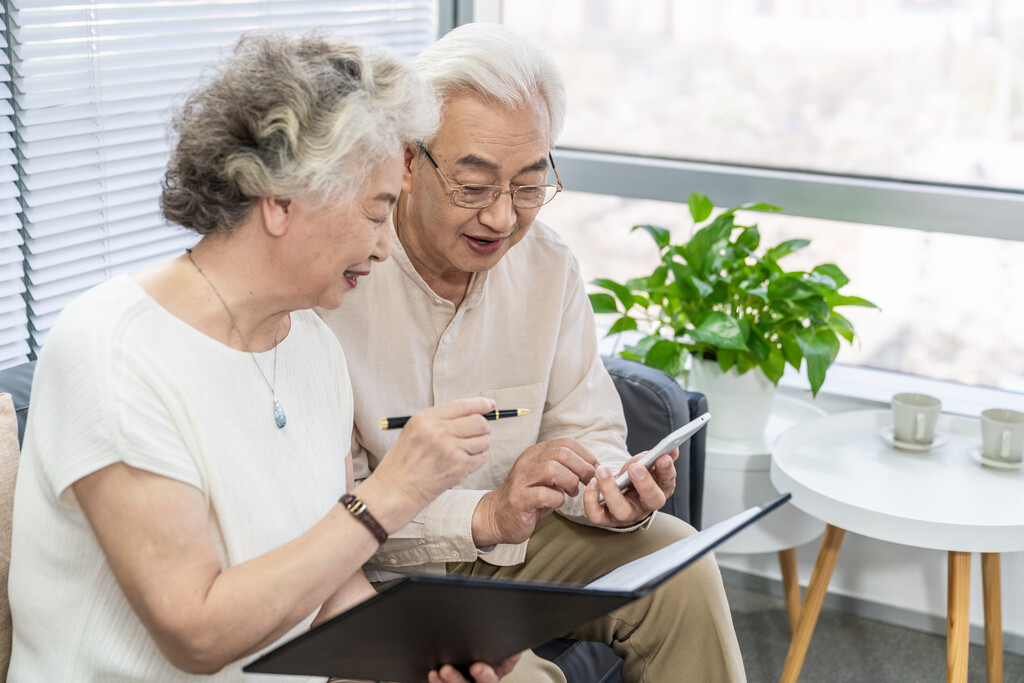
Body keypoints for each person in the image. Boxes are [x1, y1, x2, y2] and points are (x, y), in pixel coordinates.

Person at [7, 32, 519, 683]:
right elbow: (195, 632)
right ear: (281, 200)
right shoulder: (112, 350)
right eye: (377, 210)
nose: (386, 247)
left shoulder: (313, 348)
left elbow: (331, 585)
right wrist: (389, 493)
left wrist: (418, 661)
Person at [318, 23, 746, 682]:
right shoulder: (339, 279)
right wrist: (485, 513)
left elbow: (588, 425)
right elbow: (329, 513)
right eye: (474, 183)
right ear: (407, 160)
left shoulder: (549, 267)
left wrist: (609, 486)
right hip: (385, 570)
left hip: (518, 542)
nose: (502, 217)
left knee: (677, 558)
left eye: (528, 184)